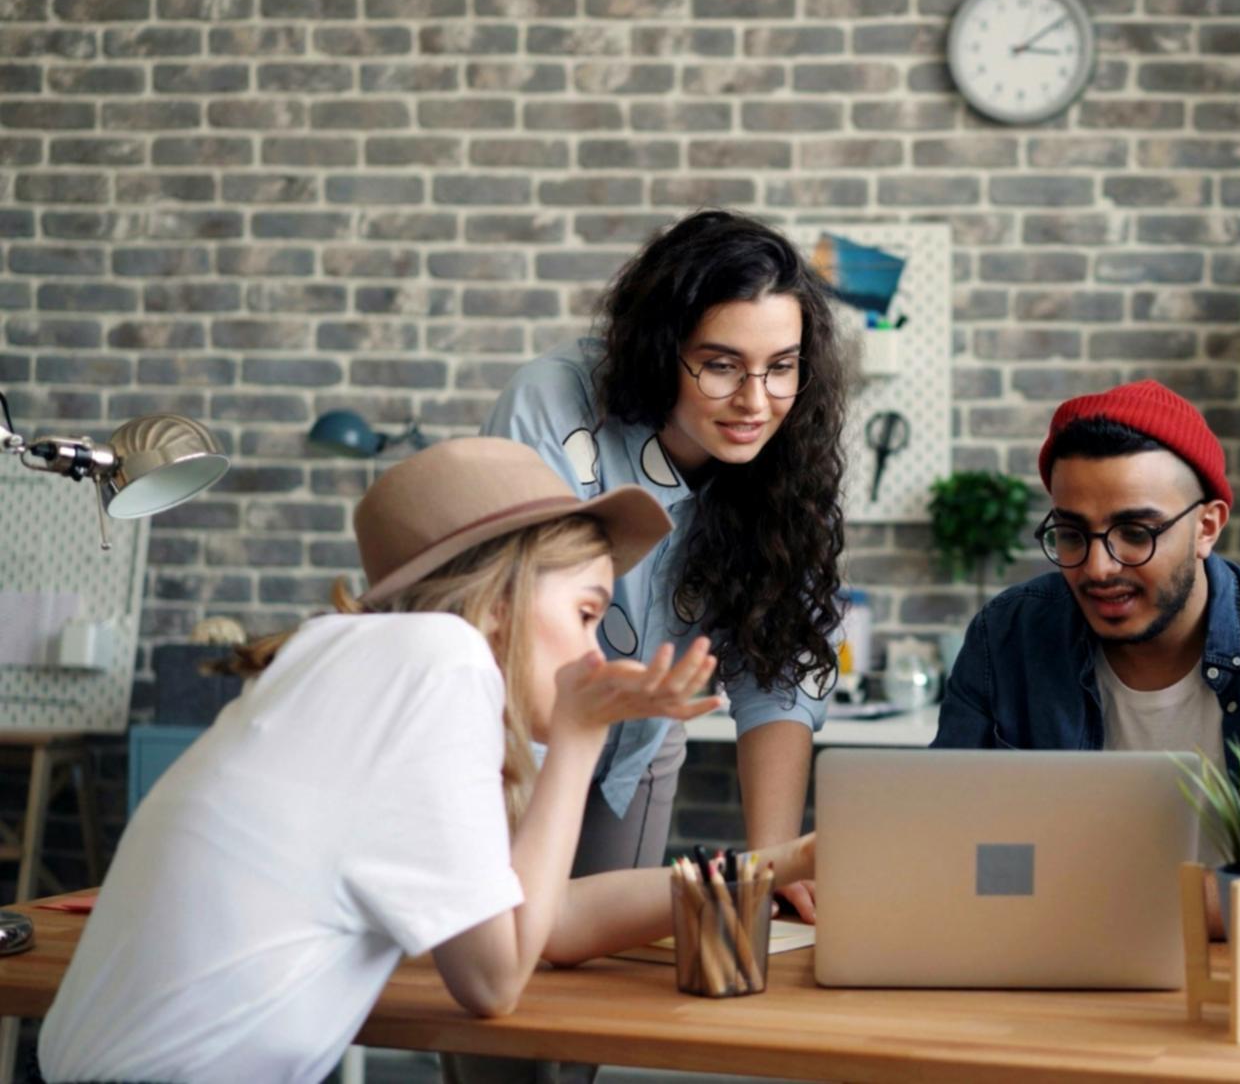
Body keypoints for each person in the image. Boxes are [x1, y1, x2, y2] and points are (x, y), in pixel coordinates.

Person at [37, 438, 816, 1082]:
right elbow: (495, 982)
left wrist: (782, 861)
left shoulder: (355, 663)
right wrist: (578, 741)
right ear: (502, 600)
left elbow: (556, 922)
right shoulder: (438, 659)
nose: (594, 650)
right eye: (585, 613)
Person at [484, 210, 845, 925]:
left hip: (638, 748)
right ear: (660, 349)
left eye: (782, 368)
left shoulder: (790, 449)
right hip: (511, 742)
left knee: (606, 997)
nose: (755, 400)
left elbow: (777, 665)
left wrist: (774, 860)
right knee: (504, 980)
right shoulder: (552, 407)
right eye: (720, 365)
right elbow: (521, 624)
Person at [933, 379, 1240, 842]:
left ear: (1206, 527)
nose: (1098, 567)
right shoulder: (1007, 636)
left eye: (1135, 532)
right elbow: (947, 835)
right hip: (1052, 918)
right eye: (1071, 534)